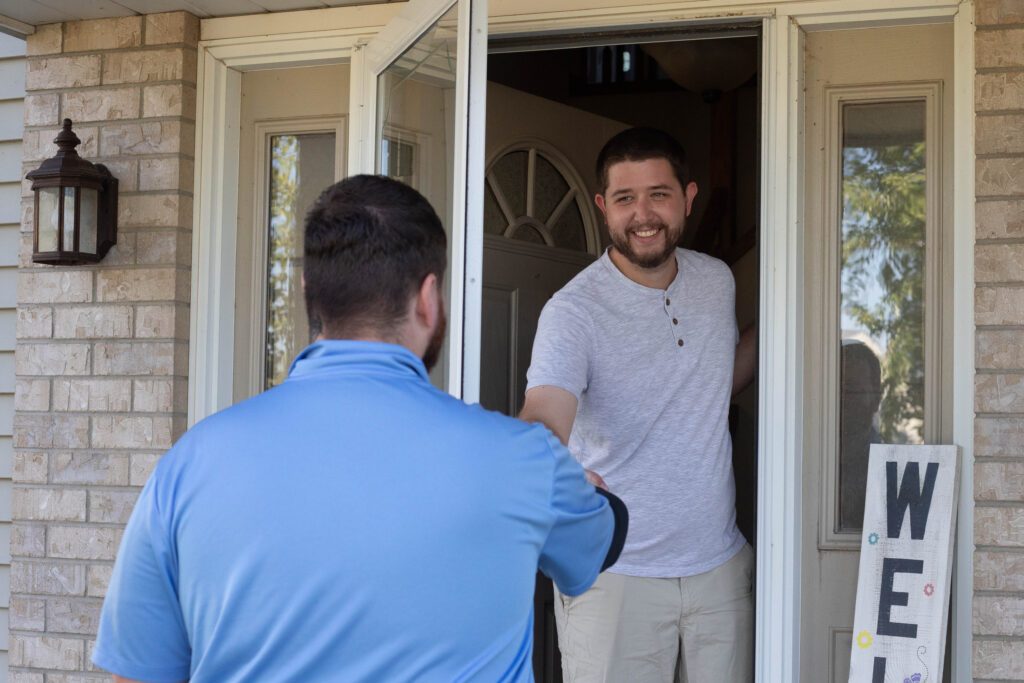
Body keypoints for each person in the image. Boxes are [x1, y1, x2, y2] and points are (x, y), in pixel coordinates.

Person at [92, 175, 627, 683]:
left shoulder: (188, 465)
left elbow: (135, 673)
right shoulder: (523, 459)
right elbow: (601, 538)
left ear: (309, 291)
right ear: (428, 298)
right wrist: (575, 486)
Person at [519, 127, 757, 682]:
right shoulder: (573, 311)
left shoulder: (716, 281)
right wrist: (540, 463)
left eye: (659, 194)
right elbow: (545, 415)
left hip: (719, 570)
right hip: (614, 577)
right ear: (603, 207)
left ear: (688, 198)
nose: (643, 215)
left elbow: (713, 386)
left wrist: (782, 323)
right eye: (625, 198)